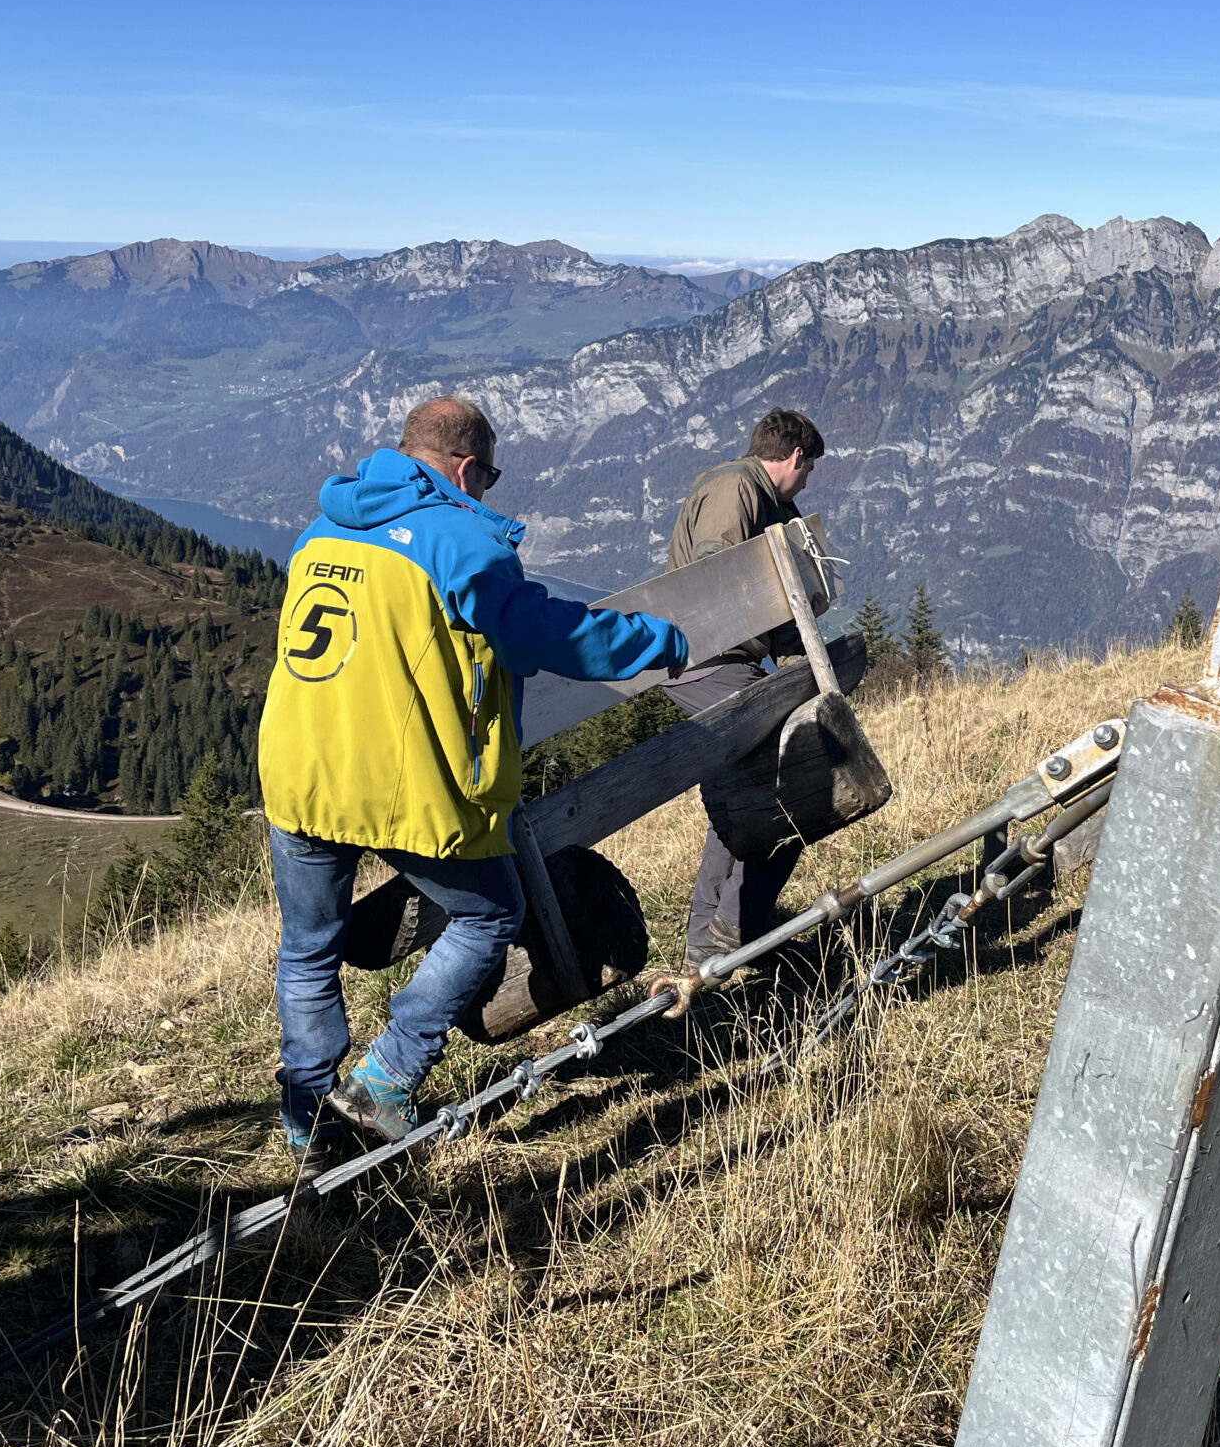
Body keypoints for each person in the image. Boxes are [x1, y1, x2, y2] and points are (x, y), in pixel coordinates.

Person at [258, 396, 688, 1165]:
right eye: (486, 476)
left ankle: (308, 1120)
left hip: (295, 771)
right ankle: (387, 1078)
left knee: (308, 948)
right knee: (491, 912)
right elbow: (546, 632)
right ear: (464, 468)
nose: (485, 490)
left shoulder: (321, 530)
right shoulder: (458, 538)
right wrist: (661, 640)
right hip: (395, 784)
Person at [662, 407, 826, 974]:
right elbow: (718, 581)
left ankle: (717, 935)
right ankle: (738, 923)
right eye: (809, 471)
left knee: (740, 797)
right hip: (711, 661)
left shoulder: (763, 499)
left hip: (718, 661)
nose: (807, 483)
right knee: (794, 782)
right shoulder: (737, 490)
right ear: (796, 457)